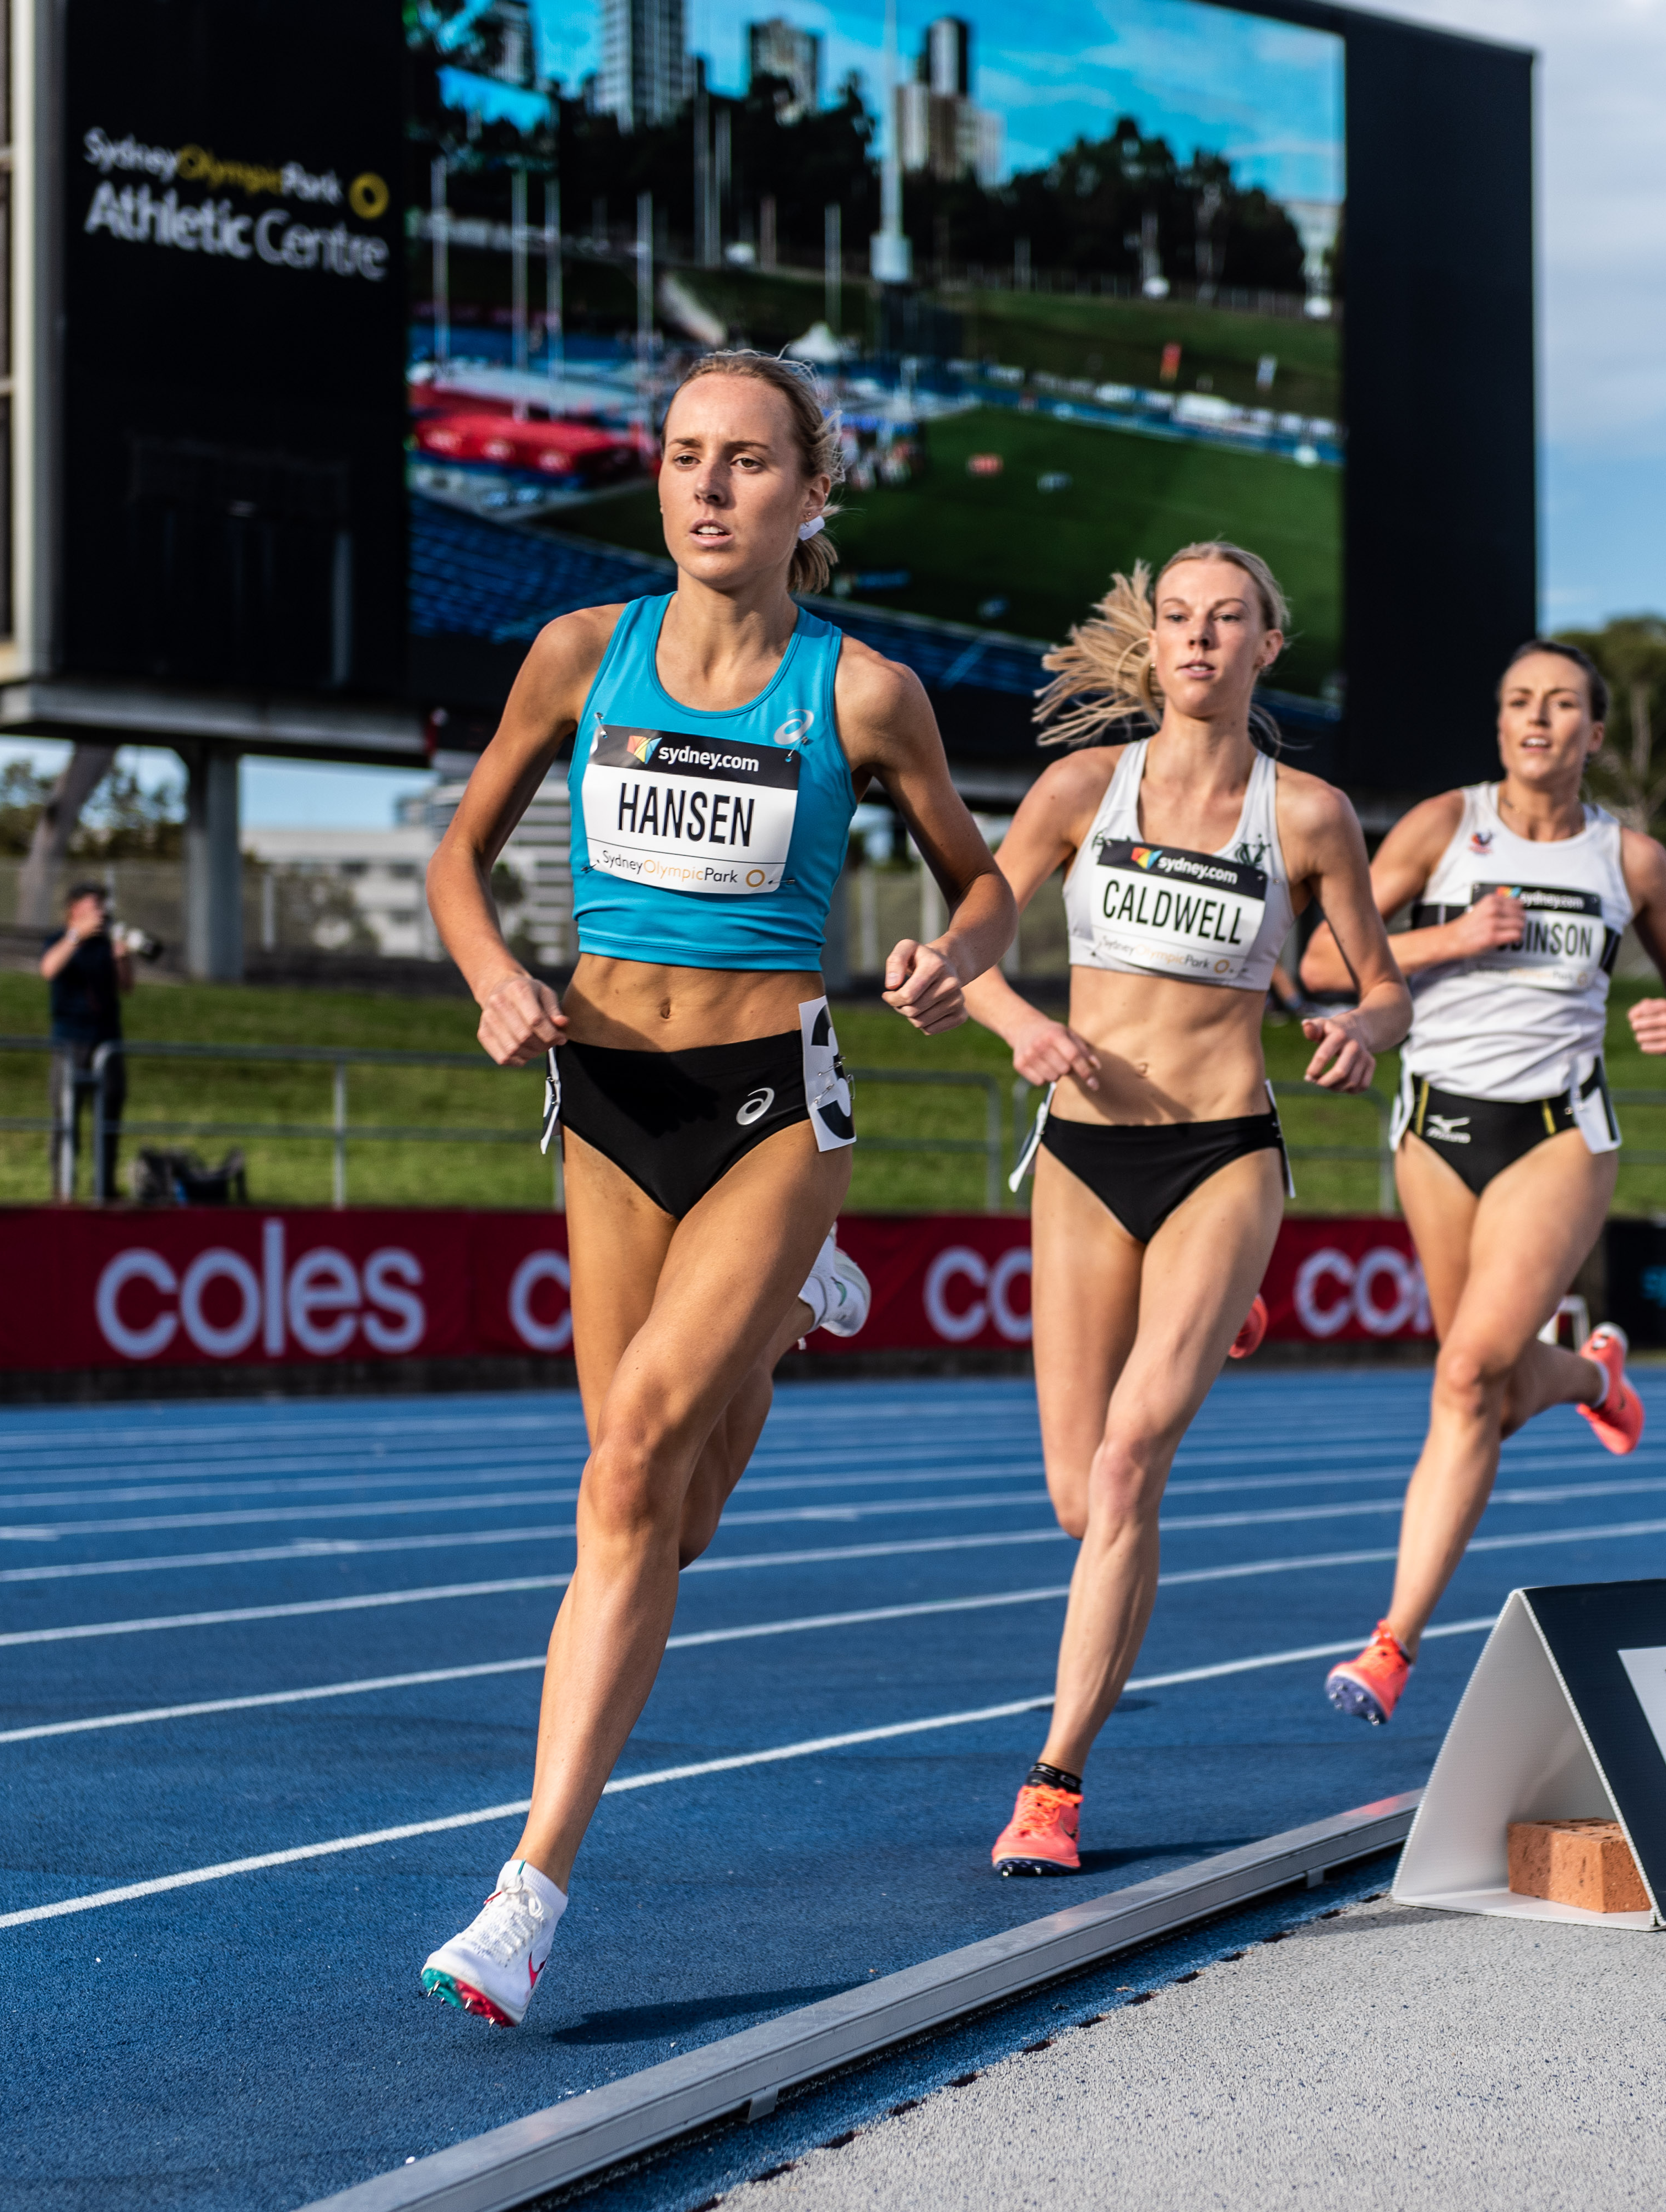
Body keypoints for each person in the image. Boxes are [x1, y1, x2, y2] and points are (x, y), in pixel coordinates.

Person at [413, 349, 1015, 2028]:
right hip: (601, 1095)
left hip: (767, 1102)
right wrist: (489, 976)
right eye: (684, 456)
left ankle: (526, 1900)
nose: (707, 487)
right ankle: (781, 1312)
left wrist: (951, 960)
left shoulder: (863, 693)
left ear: (811, 494)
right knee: (649, 1512)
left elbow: (986, 886)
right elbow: (458, 855)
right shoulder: (573, 656)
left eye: (747, 462)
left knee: (630, 1458)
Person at [958, 544, 1408, 1878]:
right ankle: (1221, 1309)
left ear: (1268, 647)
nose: (1198, 638)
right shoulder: (1077, 788)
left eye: (1226, 621)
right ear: (1151, 645)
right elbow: (967, 941)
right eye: (1176, 619)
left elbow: (1380, 984)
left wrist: (1361, 1028)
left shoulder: (1310, 812)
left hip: (1222, 1149)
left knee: (1126, 1461)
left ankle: (1052, 1785)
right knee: (1070, 1494)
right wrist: (1017, 1021)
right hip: (1088, 1157)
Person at [1303, 639, 1666, 1725]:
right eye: (1516, 703)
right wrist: (1448, 935)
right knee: (1479, 1386)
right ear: (1498, 727)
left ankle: (1392, 1644)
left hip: (1556, 1135)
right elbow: (1314, 963)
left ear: (1593, 732)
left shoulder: (1629, 862)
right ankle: (1594, 1380)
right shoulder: (1445, 828)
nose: (1536, 719)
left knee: (1463, 1378)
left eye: (1561, 704)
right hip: (1433, 1129)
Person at [38, 882, 134, 1200]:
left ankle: (104, 1189)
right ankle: (62, 1192)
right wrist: (76, 936)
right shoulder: (60, 940)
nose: (101, 913)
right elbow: (49, 969)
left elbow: (128, 987)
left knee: (108, 1120)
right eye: (94, 906)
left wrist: (122, 958)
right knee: (66, 1121)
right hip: (70, 1042)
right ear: (74, 910)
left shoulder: (108, 944)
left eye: (104, 907)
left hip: (107, 1042)